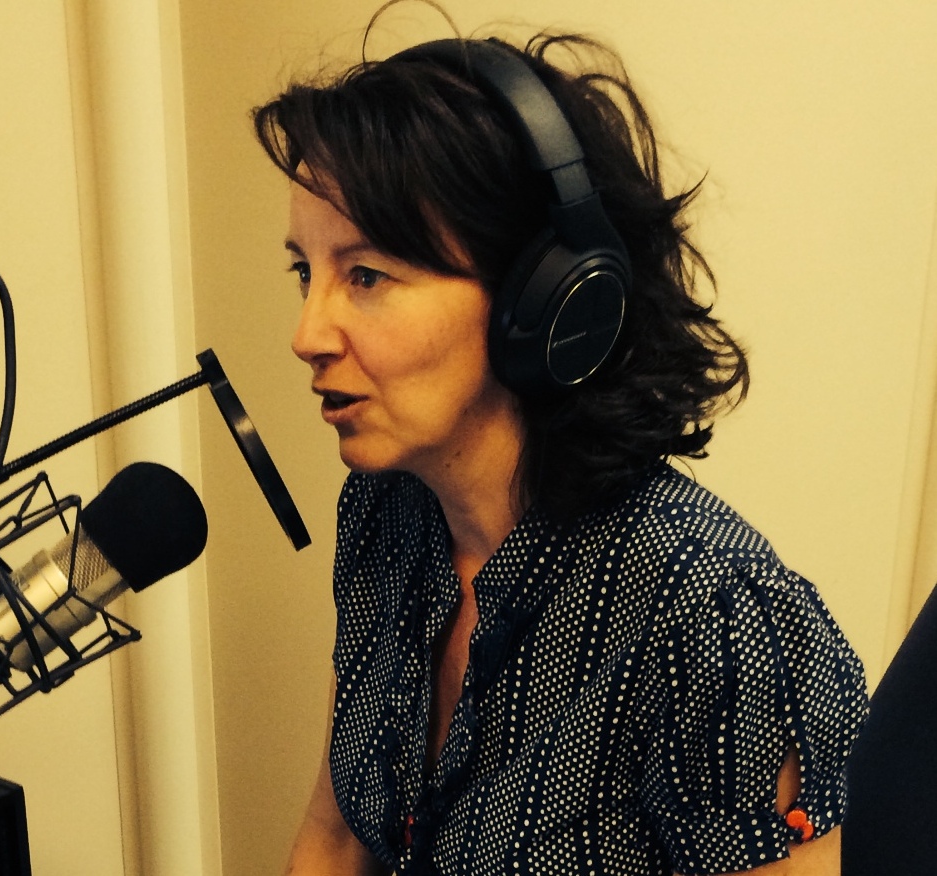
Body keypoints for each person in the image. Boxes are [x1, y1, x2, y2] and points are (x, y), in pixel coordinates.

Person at [252, 25, 868, 876]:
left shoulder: (711, 616)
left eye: (365, 276)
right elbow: (334, 835)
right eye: (304, 272)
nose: (306, 334)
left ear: (544, 299)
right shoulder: (385, 515)